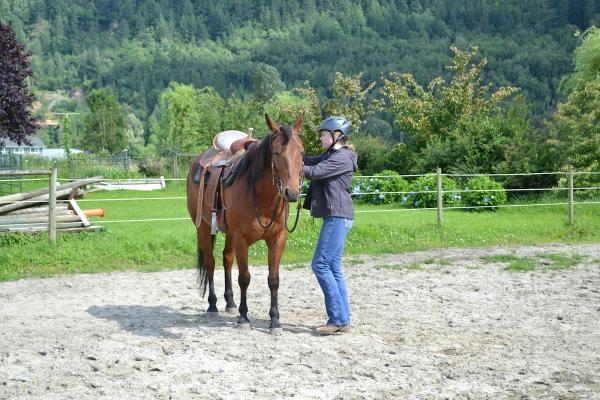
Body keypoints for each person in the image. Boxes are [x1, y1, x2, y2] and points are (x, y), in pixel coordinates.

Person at [302, 116, 358, 334]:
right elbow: (311, 160)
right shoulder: (331, 154)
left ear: (337, 136)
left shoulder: (342, 157)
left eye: (324, 134)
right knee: (333, 266)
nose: (321, 138)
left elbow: (315, 171)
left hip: (337, 216)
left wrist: (293, 168)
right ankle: (343, 320)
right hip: (338, 216)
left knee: (320, 265)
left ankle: (336, 319)